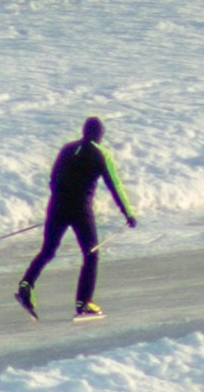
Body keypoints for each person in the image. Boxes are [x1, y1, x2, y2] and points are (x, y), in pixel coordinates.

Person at [17, 117, 135, 318]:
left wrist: (60, 202)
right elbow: (115, 186)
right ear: (100, 135)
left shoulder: (67, 149)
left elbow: (53, 180)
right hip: (80, 210)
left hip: (56, 206)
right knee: (91, 255)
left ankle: (26, 285)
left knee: (48, 250)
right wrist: (128, 213)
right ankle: (83, 302)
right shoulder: (101, 155)